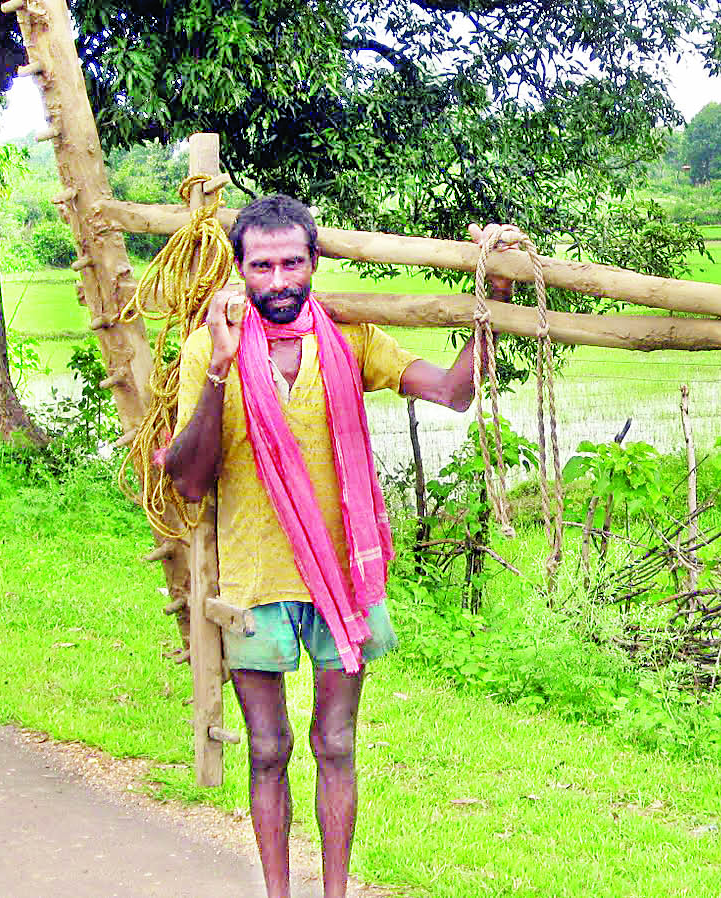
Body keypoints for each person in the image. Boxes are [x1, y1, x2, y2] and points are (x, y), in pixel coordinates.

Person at [165, 194, 508, 898]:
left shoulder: (348, 337)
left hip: (343, 587)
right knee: (268, 749)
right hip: (253, 583)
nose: (280, 280)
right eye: (262, 266)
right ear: (240, 271)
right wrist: (223, 370)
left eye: (294, 261)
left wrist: (493, 296)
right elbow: (192, 480)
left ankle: (336, 893)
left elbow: (451, 393)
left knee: (336, 743)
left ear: (315, 263)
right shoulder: (208, 347)